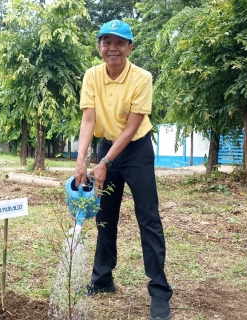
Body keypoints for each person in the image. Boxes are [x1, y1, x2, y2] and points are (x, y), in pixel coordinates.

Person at [74, 20, 173, 320]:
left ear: (130, 48)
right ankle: (102, 279)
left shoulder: (142, 78)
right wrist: (82, 160)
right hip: (106, 147)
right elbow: (89, 121)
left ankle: (159, 291)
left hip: (136, 149)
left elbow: (131, 127)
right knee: (105, 216)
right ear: (99, 47)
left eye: (120, 42)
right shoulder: (92, 76)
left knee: (148, 218)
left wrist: (105, 163)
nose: (112, 48)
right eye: (107, 42)